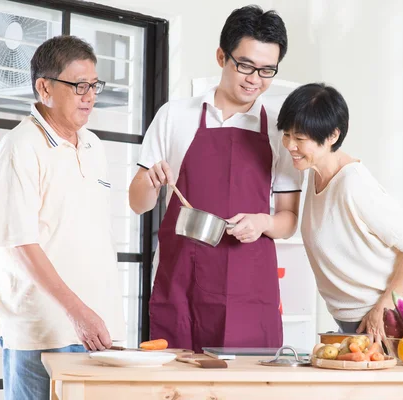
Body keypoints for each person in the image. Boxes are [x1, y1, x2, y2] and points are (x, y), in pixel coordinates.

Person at [129, 5, 301, 352]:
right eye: (246, 65)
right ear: (222, 56)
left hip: (249, 291)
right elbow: (136, 203)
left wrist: (262, 221)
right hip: (182, 284)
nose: (255, 79)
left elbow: (289, 220)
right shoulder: (175, 116)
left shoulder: (279, 132)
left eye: (267, 70)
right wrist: (152, 182)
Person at [0, 35, 125, 400]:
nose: (89, 96)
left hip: (97, 332)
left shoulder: (93, 146)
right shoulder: (19, 147)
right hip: (42, 333)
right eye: (79, 85)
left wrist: (95, 316)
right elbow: (19, 243)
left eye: (94, 85)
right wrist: (76, 311)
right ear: (44, 87)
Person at [277, 83, 403, 345]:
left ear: (332, 136)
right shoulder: (314, 177)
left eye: (300, 138)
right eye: (287, 134)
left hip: (386, 323)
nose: (290, 145)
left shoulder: (353, 184)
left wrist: (383, 307)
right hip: (356, 324)